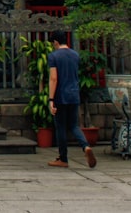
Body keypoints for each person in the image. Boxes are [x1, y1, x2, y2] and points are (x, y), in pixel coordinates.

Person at [47, 30, 96, 169]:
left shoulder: (54, 56)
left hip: (60, 95)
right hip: (74, 94)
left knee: (61, 127)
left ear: (56, 42)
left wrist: (51, 99)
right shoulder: (75, 55)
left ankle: (63, 158)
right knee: (74, 125)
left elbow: (53, 78)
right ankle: (85, 146)